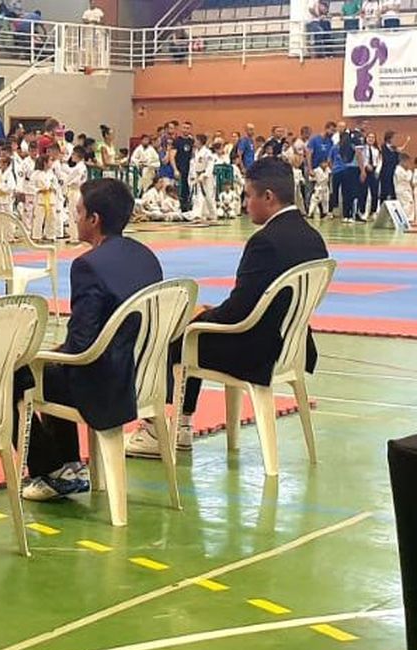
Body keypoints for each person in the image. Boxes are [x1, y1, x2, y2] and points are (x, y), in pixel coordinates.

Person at [127, 158, 331, 457]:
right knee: (196, 326)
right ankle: (181, 426)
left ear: (268, 197)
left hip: (256, 350)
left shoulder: (265, 242)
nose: (245, 203)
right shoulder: (312, 237)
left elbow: (239, 313)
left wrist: (201, 316)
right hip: (291, 343)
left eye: (248, 195)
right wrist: (211, 312)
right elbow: (254, 302)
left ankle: (158, 431)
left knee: (177, 333)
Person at [21, 179, 163, 500]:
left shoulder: (88, 266)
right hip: (145, 376)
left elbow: (81, 345)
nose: (75, 217)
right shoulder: (145, 256)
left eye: (79, 211)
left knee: (29, 374)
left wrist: (48, 355)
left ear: (94, 220)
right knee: (55, 363)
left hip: (107, 383)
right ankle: (66, 464)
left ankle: (57, 469)